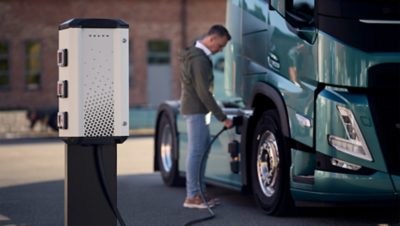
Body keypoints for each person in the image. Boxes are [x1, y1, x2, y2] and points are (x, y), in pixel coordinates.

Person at [180, 24, 233, 209]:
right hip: (196, 110)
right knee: (196, 153)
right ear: (211, 39)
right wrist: (222, 117)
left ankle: (198, 193)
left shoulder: (198, 56)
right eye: (220, 45)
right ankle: (192, 196)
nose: (220, 50)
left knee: (201, 151)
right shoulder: (198, 59)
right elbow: (203, 93)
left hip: (198, 110)